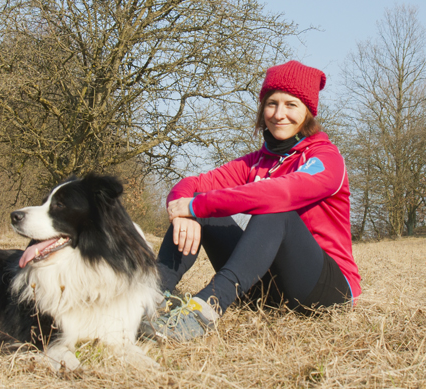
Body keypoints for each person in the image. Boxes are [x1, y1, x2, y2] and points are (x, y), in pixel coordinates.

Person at [143, 60, 361, 341]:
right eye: (271, 103)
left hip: (327, 290)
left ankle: (206, 308)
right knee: (199, 205)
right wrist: (185, 211)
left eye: (291, 105)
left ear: (307, 112)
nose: (279, 114)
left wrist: (196, 205)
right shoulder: (255, 162)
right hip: (267, 288)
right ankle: (150, 295)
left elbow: (279, 194)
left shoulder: (326, 159)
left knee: (275, 210)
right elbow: (191, 185)